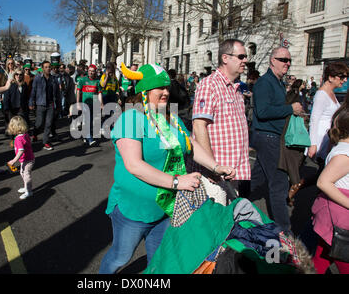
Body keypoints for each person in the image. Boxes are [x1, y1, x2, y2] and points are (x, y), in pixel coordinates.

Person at [98, 63, 236, 274]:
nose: (165, 92)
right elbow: (134, 165)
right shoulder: (131, 118)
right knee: (120, 257)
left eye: (166, 88)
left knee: (161, 262)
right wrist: (177, 182)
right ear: (144, 90)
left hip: (167, 207)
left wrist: (216, 166)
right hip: (134, 210)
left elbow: (190, 144)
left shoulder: (171, 118)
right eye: (159, 88)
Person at [250, 46, 304, 233]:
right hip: (268, 137)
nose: (287, 64)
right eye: (283, 60)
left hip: (272, 137)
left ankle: (239, 201)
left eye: (289, 60)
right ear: (272, 61)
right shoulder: (265, 83)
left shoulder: (278, 83)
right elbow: (263, 112)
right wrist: (291, 109)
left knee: (258, 178)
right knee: (279, 183)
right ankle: (284, 231)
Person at [191, 39, 251, 199]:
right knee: (215, 222)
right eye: (241, 56)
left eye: (245, 56)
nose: (245, 60)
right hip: (214, 176)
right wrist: (212, 167)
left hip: (232, 172)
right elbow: (199, 126)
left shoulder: (237, 87)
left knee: (230, 221)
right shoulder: (209, 85)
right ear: (225, 58)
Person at [311, 105, 349, 274]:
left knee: (321, 259)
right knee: (342, 261)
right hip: (340, 217)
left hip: (335, 216)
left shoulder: (342, 149)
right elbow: (324, 182)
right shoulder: (344, 153)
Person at [307, 63, 347, 164]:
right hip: (321, 141)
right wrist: (313, 144)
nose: (345, 80)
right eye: (342, 77)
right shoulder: (321, 95)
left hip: (329, 139)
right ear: (331, 77)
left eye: (346, 77)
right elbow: (314, 120)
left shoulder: (331, 93)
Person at [279, 79, 308, 206]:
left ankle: (290, 193)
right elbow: (297, 112)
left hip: (290, 136)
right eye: (303, 84)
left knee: (291, 167)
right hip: (294, 137)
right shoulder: (296, 96)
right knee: (293, 167)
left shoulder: (291, 95)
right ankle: (290, 195)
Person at [28, 60, 61, 151]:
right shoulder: (38, 78)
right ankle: (35, 133)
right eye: (46, 67)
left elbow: (57, 93)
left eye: (49, 67)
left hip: (50, 104)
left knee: (49, 123)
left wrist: (58, 105)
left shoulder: (54, 79)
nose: (48, 68)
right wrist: (31, 102)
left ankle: (45, 142)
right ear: (42, 68)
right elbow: (33, 91)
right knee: (39, 123)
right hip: (40, 104)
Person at [7, 116, 35, 200]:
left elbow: (21, 150)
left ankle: (29, 191)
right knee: (22, 173)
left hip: (27, 160)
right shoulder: (25, 134)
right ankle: (26, 187)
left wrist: (13, 160)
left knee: (26, 175)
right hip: (27, 159)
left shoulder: (19, 138)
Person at [76, 64, 102, 146]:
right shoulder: (83, 80)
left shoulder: (97, 81)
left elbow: (99, 93)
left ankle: (85, 135)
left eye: (92, 71)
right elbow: (78, 91)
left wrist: (101, 103)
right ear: (88, 71)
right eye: (90, 71)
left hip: (94, 104)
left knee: (91, 121)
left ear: (95, 72)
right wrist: (77, 103)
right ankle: (90, 139)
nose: (91, 72)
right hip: (85, 103)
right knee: (87, 120)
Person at [3, 68, 30, 146]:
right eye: (17, 74)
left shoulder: (24, 85)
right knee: (12, 125)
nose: (19, 76)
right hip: (12, 108)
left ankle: (21, 140)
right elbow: (6, 97)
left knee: (21, 124)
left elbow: (26, 97)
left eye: (21, 74)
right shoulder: (11, 85)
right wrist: (6, 108)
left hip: (22, 108)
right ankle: (12, 139)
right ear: (14, 76)